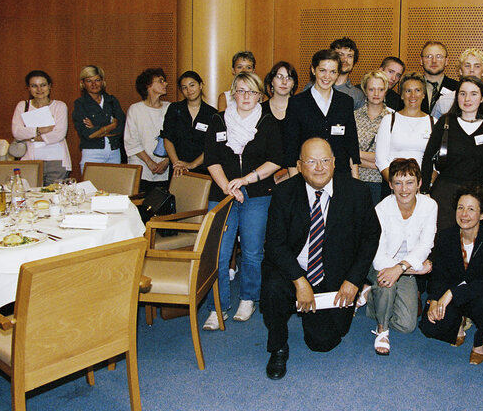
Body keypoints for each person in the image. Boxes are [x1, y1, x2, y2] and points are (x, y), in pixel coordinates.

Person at [261, 138, 380, 379]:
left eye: (325, 160)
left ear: (335, 162)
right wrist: (299, 281)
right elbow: (275, 244)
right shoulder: (284, 193)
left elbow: (370, 238)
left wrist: (353, 280)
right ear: (299, 165)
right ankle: (278, 347)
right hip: (294, 269)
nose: (319, 167)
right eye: (311, 161)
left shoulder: (357, 192)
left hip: (333, 274)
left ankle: (315, 314)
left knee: (323, 343)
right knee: (273, 289)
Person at [201, 72, 282, 330]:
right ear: (232, 92)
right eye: (241, 90)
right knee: (219, 252)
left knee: (252, 251)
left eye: (252, 91)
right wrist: (227, 186)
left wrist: (245, 180)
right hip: (222, 194)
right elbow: (211, 159)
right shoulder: (217, 120)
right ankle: (218, 305)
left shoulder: (269, 122)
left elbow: (276, 160)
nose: (246, 96)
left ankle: (248, 298)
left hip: (257, 193)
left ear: (260, 94)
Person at [419, 185, 483, 365]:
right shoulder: (446, 237)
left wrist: (451, 294)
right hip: (454, 294)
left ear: (482, 215)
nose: (464, 214)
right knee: (429, 327)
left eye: (471, 209)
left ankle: (481, 340)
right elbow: (439, 275)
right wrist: (435, 300)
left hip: (479, 295)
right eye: (460, 207)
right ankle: (459, 323)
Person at [368, 158, 436, 355]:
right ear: (390, 185)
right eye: (398, 182)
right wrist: (410, 268)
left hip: (405, 267)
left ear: (419, 183)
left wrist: (402, 268)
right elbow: (378, 256)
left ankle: (373, 299)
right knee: (387, 283)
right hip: (380, 265)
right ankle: (382, 329)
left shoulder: (430, 206)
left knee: (407, 325)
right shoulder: (381, 210)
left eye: (410, 182)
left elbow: (426, 244)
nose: (404, 189)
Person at [422, 76, 483, 231]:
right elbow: (427, 158)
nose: (467, 99)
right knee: (443, 241)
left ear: (482, 97)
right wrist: (424, 192)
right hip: (446, 193)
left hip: (478, 195)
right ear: (456, 96)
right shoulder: (445, 122)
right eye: (462, 93)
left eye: (473, 94)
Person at [284, 49, 360, 178]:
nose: (327, 76)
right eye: (322, 70)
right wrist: (295, 183)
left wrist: (355, 179)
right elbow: (291, 148)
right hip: (308, 176)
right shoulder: (297, 103)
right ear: (313, 70)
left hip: (340, 175)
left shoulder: (345, 102)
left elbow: (351, 144)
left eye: (333, 72)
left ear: (337, 74)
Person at [11, 70, 72, 185]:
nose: (39, 90)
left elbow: (59, 134)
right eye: (34, 86)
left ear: (49, 86)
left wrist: (30, 137)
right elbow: (17, 132)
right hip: (31, 161)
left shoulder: (59, 106)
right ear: (28, 88)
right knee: (31, 196)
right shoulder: (22, 105)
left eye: (43, 85)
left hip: (56, 161)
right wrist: (39, 130)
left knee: (55, 197)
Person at [374, 72, 435, 182]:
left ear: (424, 94)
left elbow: (436, 163)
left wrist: (422, 185)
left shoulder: (433, 122)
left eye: (417, 90)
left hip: (422, 186)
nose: (413, 95)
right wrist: (398, 185)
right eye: (408, 91)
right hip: (393, 186)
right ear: (402, 95)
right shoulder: (389, 120)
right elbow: (381, 160)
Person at [161, 71, 217, 177]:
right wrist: (177, 164)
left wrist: (192, 164)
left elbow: (212, 147)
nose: (189, 90)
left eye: (192, 85)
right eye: (184, 87)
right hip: (177, 169)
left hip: (202, 170)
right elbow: (167, 138)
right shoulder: (174, 109)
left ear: (200, 85)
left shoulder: (212, 114)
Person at [124, 68, 170, 193]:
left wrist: (166, 161)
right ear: (148, 85)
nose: (165, 84)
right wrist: (149, 162)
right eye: (160, 81)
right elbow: (131, 140)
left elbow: (177, 139)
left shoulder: (170, 108)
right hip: (141, 166)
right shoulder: (135, 109)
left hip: (165, 168)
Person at [72, 65, 125, 173]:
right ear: (83, 83)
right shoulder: (80, 104)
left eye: (97, 80)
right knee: (91, 188)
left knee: (114, 187)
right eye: (89, 81)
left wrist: (97, 129)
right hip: (92, 152)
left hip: (114, 152)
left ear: (102, 81)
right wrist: (111, 126)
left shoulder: (111, 100)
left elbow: (121, 128)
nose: (94, 84)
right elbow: (88, 134)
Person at [354, 70, 391, 204]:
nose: (376, 94)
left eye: (380, 89)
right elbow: (346, 153)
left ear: (385, 91)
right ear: (364, 90)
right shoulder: (353, 117)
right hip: (355, 179)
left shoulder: (393, 119)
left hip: (381, 182)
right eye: (371, 89)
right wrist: (377, 160)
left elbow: (390, 158)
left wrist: (356, 155)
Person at [301, 38, 366, 109]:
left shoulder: (357, 94)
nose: (345, 59)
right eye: (341, 54)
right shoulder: (312, 85)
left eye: (350, 56)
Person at [432, 48, 483, 118]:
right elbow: (433, 127)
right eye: (467, 66)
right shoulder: (444, 102)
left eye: (477, 66)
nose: (471, 70)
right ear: (460, 71)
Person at [419, 41, 458, 114]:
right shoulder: (412, 87)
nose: (434, 61)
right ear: (421, 61)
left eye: (439, 57)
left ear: (446, 61)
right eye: (429, 56)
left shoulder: (456, 88)